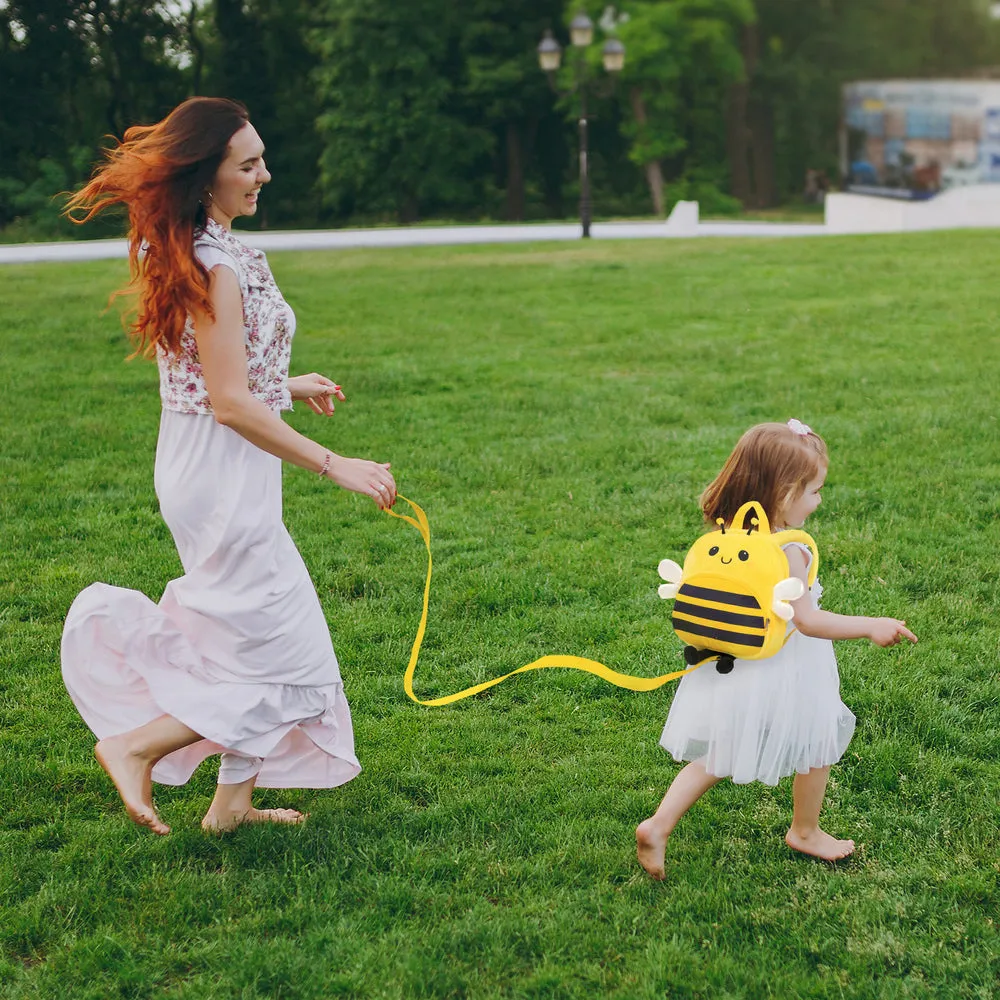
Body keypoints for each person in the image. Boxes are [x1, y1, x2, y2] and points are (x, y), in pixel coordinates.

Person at [61, 97, 397, 835]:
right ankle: (133, 744)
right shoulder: (211, 261)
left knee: (256, 640)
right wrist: (334, 463)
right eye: (247, 165)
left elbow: (221, 374)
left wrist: (289, 383)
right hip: (218, 470)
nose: (264, 176)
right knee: (285, 652)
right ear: (204, 175)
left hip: (220, 461)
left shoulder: (203, 245)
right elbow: (228, 402)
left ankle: (231, 805)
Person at [636, 420, 916, 877]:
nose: (820, 500)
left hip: (734, 663)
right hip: (784, 667)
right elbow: (807, 621)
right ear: (784, 493)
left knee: (721, 751)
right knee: (819, 738)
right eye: (815, 490)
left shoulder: (730, 531)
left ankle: (659, 823)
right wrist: (871, 626)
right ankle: (805, 831)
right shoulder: (790, 549)